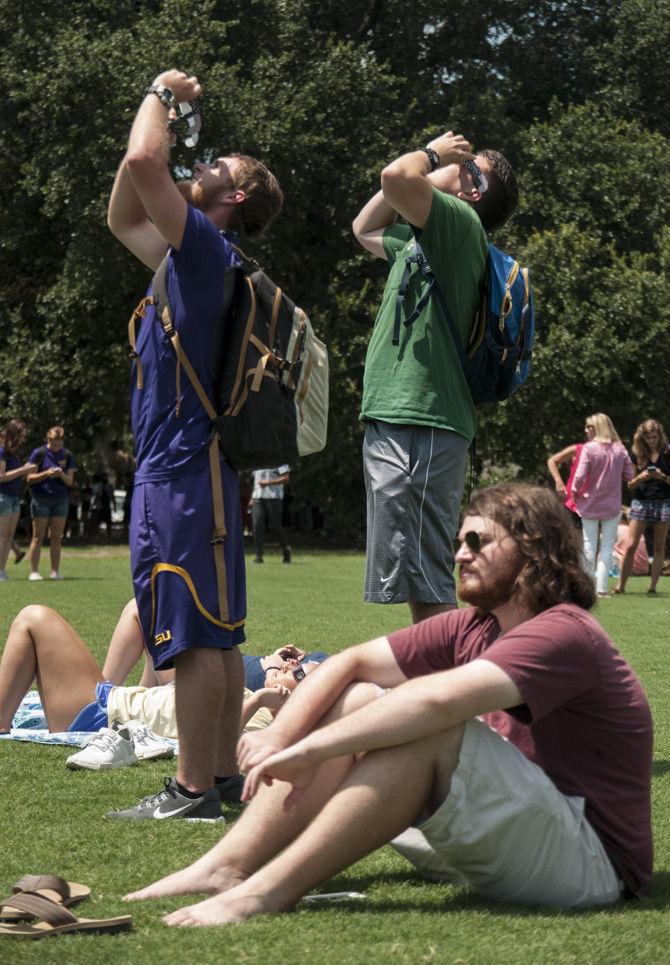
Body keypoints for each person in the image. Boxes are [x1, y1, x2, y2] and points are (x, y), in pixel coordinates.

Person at [122, 483, 652, 923]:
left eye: (477, 541)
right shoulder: (474, 625)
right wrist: (278, 737)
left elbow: (438, 700)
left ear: (532, 550)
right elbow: (347, 664)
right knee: (359, 697)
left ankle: (266, 893)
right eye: (459, 540)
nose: (460, 552)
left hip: (588, 863)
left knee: (432, 728)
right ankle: (228, 865)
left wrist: (312, 749)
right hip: (503, 835)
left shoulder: (564, 632)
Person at [107, 68, 283, 820]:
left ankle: (189, 790)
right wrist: (157, 125)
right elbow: (124, 209)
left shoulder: (207, 249)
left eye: (220, 167)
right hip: (174, 466)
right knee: (200, 627)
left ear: (233, 198)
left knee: (196, 630)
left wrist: (162, 98)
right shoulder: (184, 257)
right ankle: (213, 777)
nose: (207, 165)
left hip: (187, 465)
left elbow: (148, 165)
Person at [352, 132, 518, 624]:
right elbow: (364, 227)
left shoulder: (460, 224)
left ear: (473, 193)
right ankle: (445, 691)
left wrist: (429, 154)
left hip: (423, 420)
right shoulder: (426, 240)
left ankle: (456, 694)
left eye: (469, 165)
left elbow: (395, 178)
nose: (456, 164)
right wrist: (431, 165)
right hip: (405, 419)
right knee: (416, 579)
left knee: (427, 580)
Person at [0, 604, 308, 753]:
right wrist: (272, 670)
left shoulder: (264, 721)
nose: (293, 664)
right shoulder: (263, 707)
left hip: (97, 716)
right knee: (142, 609)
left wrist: (259, 700)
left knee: (34, 617)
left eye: (299, 671)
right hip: (113, 702)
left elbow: (222, 747)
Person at [570, 413, 635, 597]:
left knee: (589, 545)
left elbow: (579, 476)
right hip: (612, 505)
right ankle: (602, 588)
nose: (586, 430)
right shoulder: (620, 449)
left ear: (597, 428)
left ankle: (588, 587)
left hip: (589, 503)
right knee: (607, 546)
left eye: (589, 427)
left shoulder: (589, 449)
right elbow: (630, 475)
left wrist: (574, 494)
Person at [614, 419, 670, 596]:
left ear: (660, 435)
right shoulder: (636, 454)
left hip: (664, 502)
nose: (652, 441)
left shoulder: (668, 452)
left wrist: (662, 477)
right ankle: (621, 586)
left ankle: (652, 587)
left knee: (659, 545)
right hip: (641, 502)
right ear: (642, 437)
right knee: (630, 545)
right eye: (648, 438)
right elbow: (630, 484)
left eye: (654, 437)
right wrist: (642, 477)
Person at [26, 426, 76, 581]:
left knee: (56, 537)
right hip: (41, 499)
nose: (56, 447)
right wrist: (46, 474)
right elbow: (29, 478)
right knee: (38, 536)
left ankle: (55, 571)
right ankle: (34, 572)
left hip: (60, 500)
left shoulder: (67, 456)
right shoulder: (38, 453)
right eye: (54, 444)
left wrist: (61, 473)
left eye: (59, 444)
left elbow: (70, 482)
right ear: (48, 440)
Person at [0, 420, 36, 582]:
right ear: (14, 434)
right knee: (2, 537)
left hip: (14, 497)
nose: (24, 438)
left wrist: (26, 470)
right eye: (22, 435)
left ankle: (2, 570)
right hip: (3, 497)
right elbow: (2, 477)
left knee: (8, 537)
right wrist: (23, 469)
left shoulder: (14, 454)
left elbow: (14, 475)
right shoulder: (1, 452)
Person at [545, 418, 597, 528]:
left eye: (590, 427)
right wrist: (559, 482)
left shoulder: (610, 452)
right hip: (572, 502)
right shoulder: (578, 449)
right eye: (587, 427)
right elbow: (552, 461)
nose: (587, 430)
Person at [250, 466, 291, 563]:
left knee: (275, 526)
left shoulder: (279, 459)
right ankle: (258, 556)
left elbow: (286, 478)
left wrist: (268, 483)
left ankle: (286, 549)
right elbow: (256, 481)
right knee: (257, 526)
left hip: (274, 497)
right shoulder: (256, 461)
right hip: (258, 498)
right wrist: (252, 498)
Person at [612, 507, 649, 577]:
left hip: (628, 568)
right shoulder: (639, 533)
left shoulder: (618, 528)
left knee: (606, 550)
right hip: (643, 570)